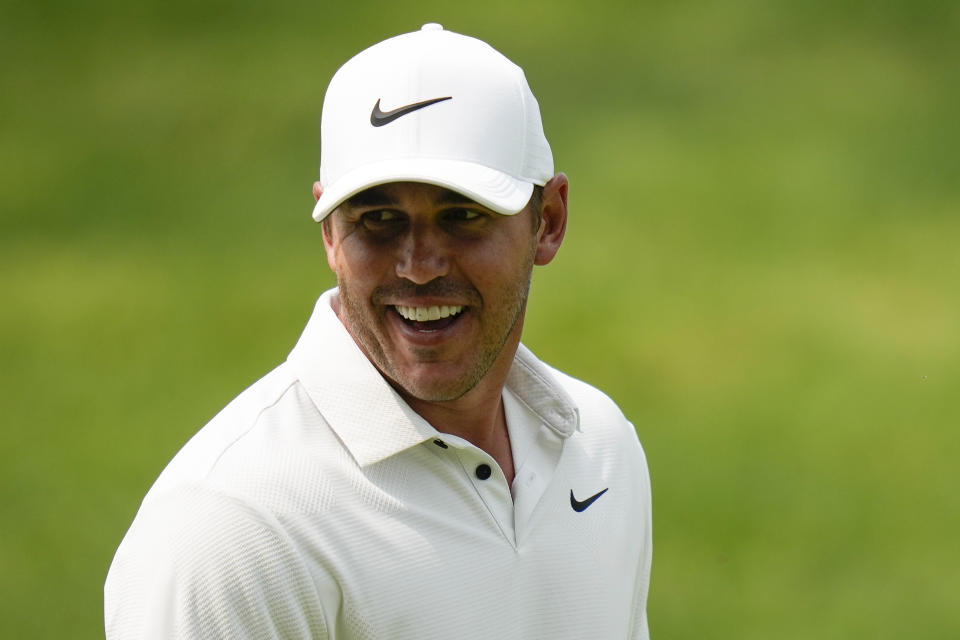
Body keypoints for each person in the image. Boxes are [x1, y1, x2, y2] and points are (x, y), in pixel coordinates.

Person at [105, 23, 652, 639]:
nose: (419, 265)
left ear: (547, 220)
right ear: (331, 236)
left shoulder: (601, 449)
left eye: (462, 216)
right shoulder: (231, 529)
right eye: (379, 220)